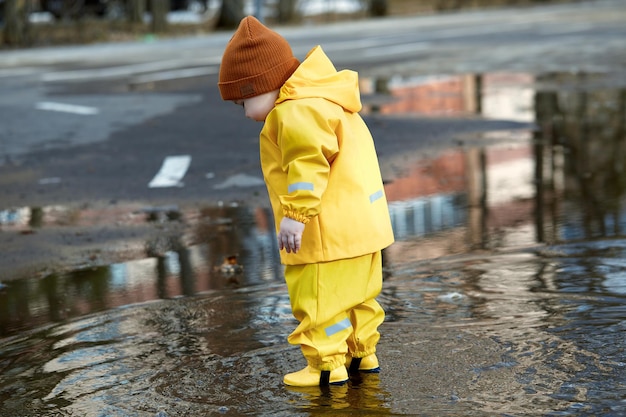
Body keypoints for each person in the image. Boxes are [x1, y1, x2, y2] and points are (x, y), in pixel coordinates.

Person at [218, 16, 395, 387]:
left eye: (244, 101)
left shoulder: (294, 111)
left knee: (318, 300)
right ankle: (362, 353)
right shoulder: (327, 99)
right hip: (364, 226)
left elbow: (308, 165)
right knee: (359, 297)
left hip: (325, 233)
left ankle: (325, 366)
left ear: (264, 84)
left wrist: (295, 215)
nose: (247, 113)